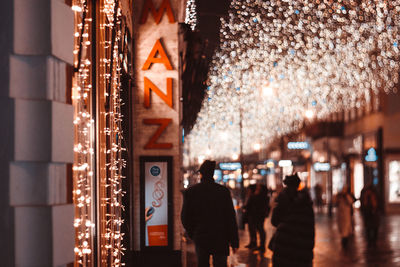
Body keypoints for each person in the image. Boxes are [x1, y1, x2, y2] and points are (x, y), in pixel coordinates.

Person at [181, 160, 239, 267]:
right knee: (220, 263)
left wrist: (193, 233)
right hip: (221, 236)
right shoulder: (223, 191)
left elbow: (185, 217)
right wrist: (234, 241)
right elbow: (230, 217)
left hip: (201, 236)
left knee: (202, 263)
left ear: (201, 174)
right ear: (213, 173)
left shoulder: (191, 192)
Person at [270, 173, 315, 267]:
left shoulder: (283, 200)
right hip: (303, 251)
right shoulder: (306, 203)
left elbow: (274, 221)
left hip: (284, 250)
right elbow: (311, 228)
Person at [244, 183, 270, 252]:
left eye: (258, 188)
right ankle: (259, 245)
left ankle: (261, 245)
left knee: (259, 229)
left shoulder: (258, 196)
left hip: (257, 215)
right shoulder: (263, 196)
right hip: (257, 215)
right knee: (258, 229)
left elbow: (251, 204)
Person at [360, 182, 380, 247]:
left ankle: (373, 241)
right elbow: (363, 205)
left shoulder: (374, 195)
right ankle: (370, 241)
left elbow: (377, 204)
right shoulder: (366, 196)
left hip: (373, 215)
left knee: (374, 228)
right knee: (369, 228)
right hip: (368, 215)